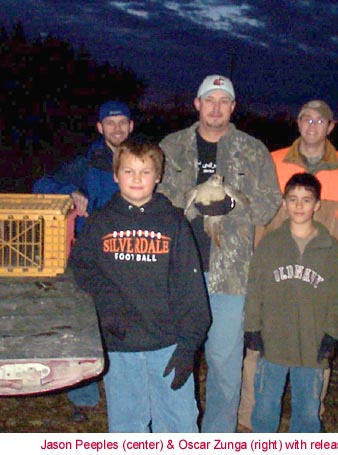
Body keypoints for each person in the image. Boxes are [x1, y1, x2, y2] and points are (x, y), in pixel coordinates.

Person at [238, 99, 338, 429]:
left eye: (320, 121)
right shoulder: (270, 163)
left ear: (331, 127)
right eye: (306, 119)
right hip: (274, 284)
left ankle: (309, 424)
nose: (312, 126)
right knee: (259, 363)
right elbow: (253, 223)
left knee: (315, 360)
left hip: (322, 288)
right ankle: (248, 425)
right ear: (297, 123)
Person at [157, 74, 281, 432]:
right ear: (196, 104)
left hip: (230, 276)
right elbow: (155, 198)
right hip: (177, 270)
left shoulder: (253, 149)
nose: (215, 107)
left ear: (233, 107)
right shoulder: (172, 146)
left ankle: (217, 436)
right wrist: (195, 202)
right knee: (175, 355)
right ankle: (177, 431)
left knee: (225, 364)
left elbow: (269, 206)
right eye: (208, 100)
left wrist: (232, 204)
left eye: (223, 100)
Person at [69, 140, 210, 432]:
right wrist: (107, 304)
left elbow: (191, 289)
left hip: (169, 346)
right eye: (128, 171)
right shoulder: (100, 222)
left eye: (145, 172)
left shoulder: (174, 222)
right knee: (127, 428)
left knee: (179, 426)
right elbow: (81, 268)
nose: (136, 179)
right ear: (115, 175)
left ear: (158, 176)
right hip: (121, 348)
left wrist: (189, 346)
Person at [33, 100, 134, 421]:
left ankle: (124, 389)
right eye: (110, 123)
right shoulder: (87, 162)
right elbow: (40, 186)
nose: (116, 128)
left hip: (130, 253)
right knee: (83, 322)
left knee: (126, 322)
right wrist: (69, 191)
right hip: (89, 256)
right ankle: (83, 396)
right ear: (100, 127)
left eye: (122, 122)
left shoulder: (143, 158)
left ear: (131, 127)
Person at [244, 172, 338, 432]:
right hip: (273, 341)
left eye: (306, 200)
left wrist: (333, 333)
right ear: (284, 203)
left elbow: (336, 296)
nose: (299, 206)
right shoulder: (270, 245)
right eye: (293, 199)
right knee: (266, 405)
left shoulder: (330, 249)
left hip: (312, 344)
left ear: (317, 205)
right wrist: (252, 326)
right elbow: (255, 288)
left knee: (307, 409)